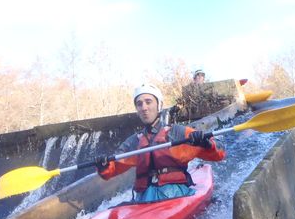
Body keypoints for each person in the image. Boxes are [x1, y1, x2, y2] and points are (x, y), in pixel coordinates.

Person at [95, 84, 225, 203]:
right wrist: (104, 166)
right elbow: (113, 168)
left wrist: (206, 144)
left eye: (148, 102)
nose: (144, 108)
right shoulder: (134, 141)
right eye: (139, 104)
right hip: (143, 197)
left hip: (175, 194)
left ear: (159, 105)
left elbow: (220, 153)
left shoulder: (177, 132)